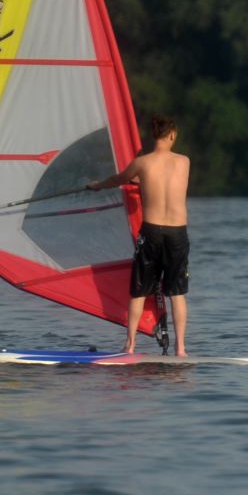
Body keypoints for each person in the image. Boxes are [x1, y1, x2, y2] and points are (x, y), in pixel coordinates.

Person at [89, 116, 192, 356]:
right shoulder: (184, 162)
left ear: (153, 136)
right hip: (177, 233)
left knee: (139, 291)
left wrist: (97, 185)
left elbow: (119, 180)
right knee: (177, 293)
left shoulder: (142, 164)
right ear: (173, 135)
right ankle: (181, 348)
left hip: (151, 232)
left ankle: (130, 344)